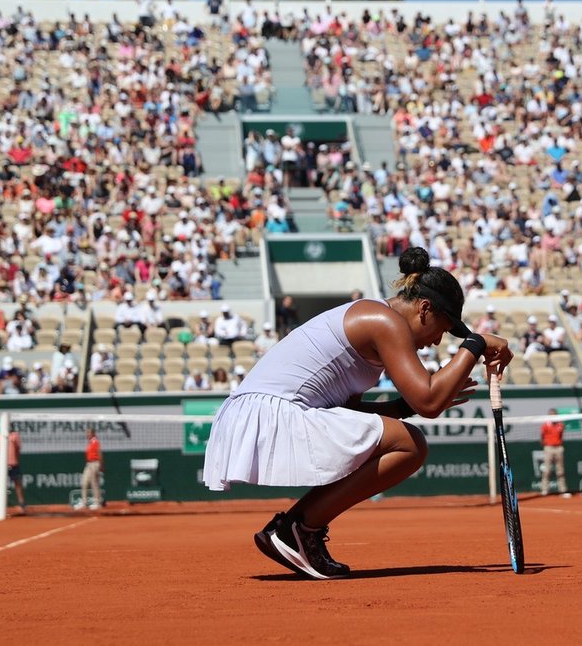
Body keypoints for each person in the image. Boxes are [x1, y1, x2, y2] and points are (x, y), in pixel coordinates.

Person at [203, 247, 513, 579]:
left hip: (261, 412)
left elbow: (347, 412)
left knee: (395, 436)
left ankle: (294, 530)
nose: (437, 341)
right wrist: (476, 344)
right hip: (268, 413)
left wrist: (400, 408)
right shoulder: (384, 321)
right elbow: (430, 402)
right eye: (443, 328)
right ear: (424, 309)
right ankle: (300, 531)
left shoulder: (376, 320)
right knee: (411, 445)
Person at [0, 429, 26, 513]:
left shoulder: (15, 435)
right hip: (1, 464)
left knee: (17, 482)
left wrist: (13, 459)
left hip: (13, 463)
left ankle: (22, 503)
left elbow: (18, 448)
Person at [539, 409, 570, 498]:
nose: (553, 417)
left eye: (554, 415)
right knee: (547, 470)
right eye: (551, 415)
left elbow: (561, 435)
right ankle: (544, 490)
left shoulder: (560, 425)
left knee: (560, 470)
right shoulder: (545, 425)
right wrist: (546, 445)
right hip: (548, 448)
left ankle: (562, 490)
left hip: (558, 448)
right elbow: (542, 436)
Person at [73, 428, 103, 511]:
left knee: (94, 483)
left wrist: (101, 465)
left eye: (89, 433)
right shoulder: (89, 443)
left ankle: (97, 503)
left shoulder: (95, 441)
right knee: (84, 482)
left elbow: (99, 453)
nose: (87, 434)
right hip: (89, 464)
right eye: (87, 433)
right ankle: (84, 502)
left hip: (95, 463)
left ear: (93, 433)